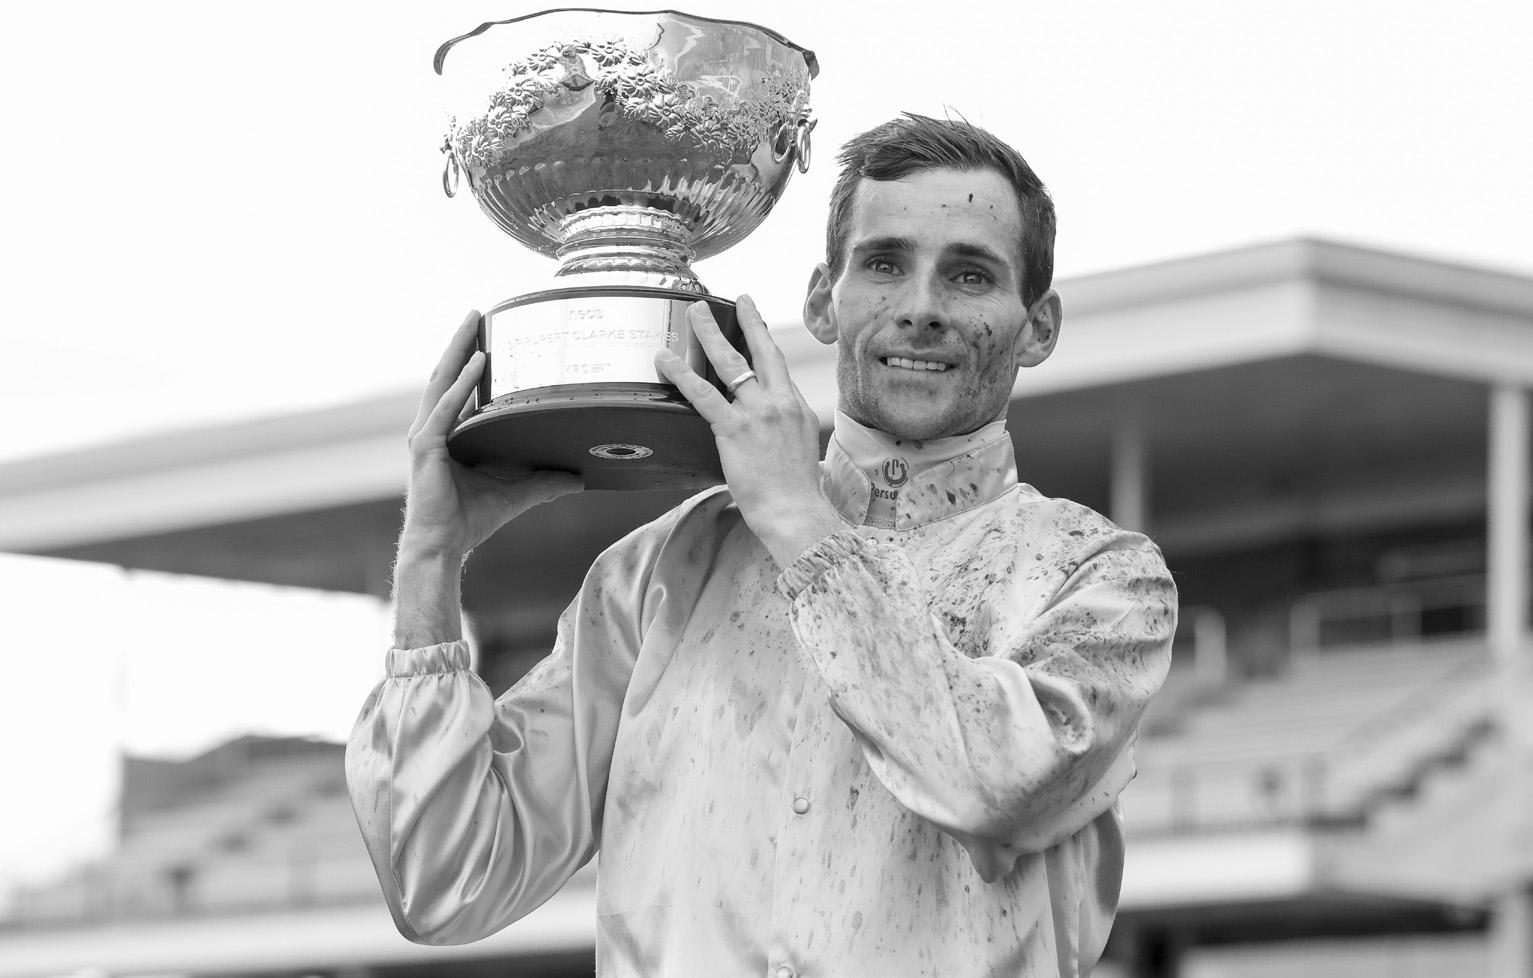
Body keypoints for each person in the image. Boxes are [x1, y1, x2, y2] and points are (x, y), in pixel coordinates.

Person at [346, 112, 1177, 977]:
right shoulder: (655, 574)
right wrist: (431, 560)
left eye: (969, 275)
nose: (920, 309)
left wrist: (797, 520)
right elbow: (443, 884)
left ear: (1038, 326)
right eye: (884, 264)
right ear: (821, 300)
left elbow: (993, 784)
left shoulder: (1105, 578)